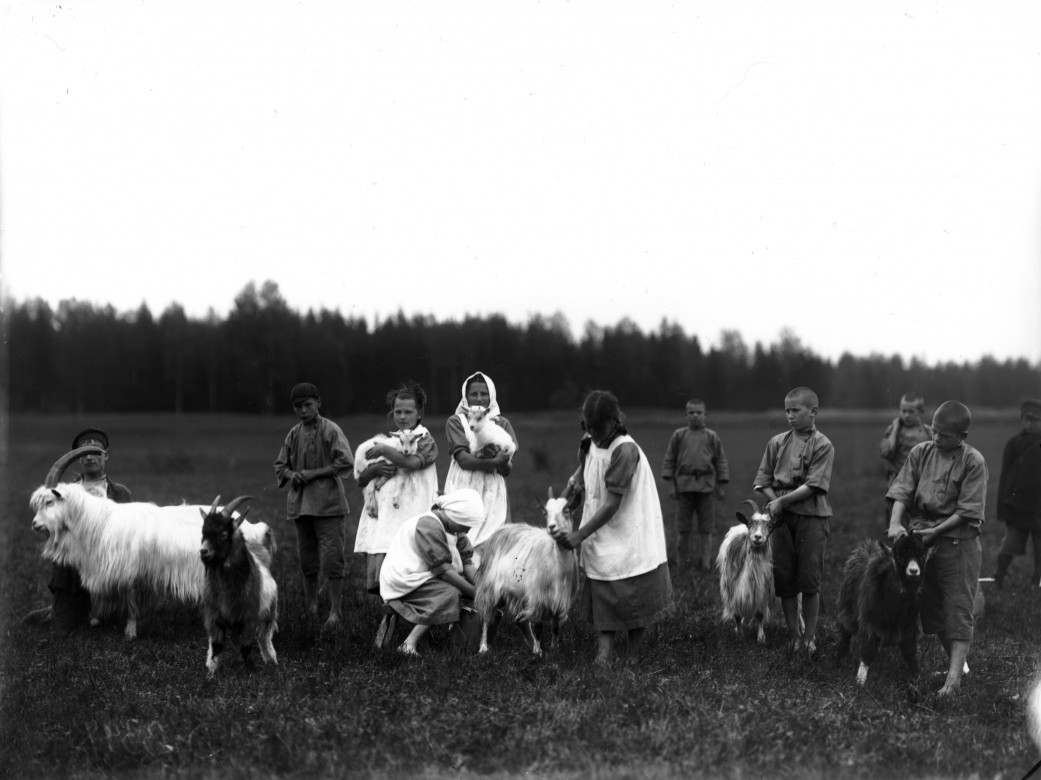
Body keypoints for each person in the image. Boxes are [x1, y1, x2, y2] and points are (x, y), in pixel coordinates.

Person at [553, 390, 672, 665]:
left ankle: (633, 655)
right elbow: (582, 472)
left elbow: (612, 504)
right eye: (589, 427)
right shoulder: (589, 441)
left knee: (633, 593)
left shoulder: (624, 450)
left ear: (614, 421)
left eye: (599, 427)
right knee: (603, 590)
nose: (594, 433)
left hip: (630, 526)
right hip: (601, 527)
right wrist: (565, 499)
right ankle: (603, 655)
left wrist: (580, 534)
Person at [887, 400, 988, 697]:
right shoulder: (921, 452)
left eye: (944, 435)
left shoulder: (973, 461)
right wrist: (895, 523)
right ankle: (959, 668)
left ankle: (953, 682)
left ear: (962, 436)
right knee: (931, 609)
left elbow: (968, 511)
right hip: (922, 542)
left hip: (957, 542)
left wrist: (936, 532)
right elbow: (902, 490)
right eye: (934, 431)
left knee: (957, 608)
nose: (935, 438)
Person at [753, 386, 835, 658]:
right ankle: (793, 636)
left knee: (809, 579)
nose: (790, 416)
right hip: (781, 520)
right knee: (785, 579)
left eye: (796, 410)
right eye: (787, 410)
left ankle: (809, 638)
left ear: (813, 412)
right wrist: (774, 500)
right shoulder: (776, 442)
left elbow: (813, 486)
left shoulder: (823, 445)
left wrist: (781, 501)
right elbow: (762, 481)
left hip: (812, 517)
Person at [354, 383, 439, 642]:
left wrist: (385, 452)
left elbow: (411, 463)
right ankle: (389, 612)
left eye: (408, 412)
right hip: (387, 516)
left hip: (412, 512)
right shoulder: (387, 440)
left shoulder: (425, 440)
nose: (402, 417)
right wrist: (375, 469)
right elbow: (361, 478)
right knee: (386, 565)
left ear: (419, 413)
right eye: (398, 412)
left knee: (412, 564)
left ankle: (414, 616)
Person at [29, 427, 134, 632]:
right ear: (78, 459)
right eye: (83, 453)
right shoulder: (62, 495)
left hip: (110, 574)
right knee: (65, 628)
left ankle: (96, 610)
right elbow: (51, 534)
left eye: (95, 452)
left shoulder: (121, 494)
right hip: (73, 576)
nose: (89, 457)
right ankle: (57, 610)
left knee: (114, 627)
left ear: (106, 455)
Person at [274, 382, 354, 629]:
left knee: (332, 559)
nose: (303, 410)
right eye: (297, 406)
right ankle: (311, 608)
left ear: (318, 403)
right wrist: (292, 475)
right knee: (307, 560)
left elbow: (345, 461)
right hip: (301, 507)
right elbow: (280, 466)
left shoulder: (331, 430)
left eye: (308, 405)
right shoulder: (293, 434)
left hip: (329, 506)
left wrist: (314, 473)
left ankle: (335, 612)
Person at [379, 489, 483, 656]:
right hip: (405, 578)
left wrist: (483, 589)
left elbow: (467, 563)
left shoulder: (457, 531)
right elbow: (444, 571)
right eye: (466, 525)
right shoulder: (429, 525)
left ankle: (462, 641)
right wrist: (474, 592)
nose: (468, 530)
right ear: (455, 516)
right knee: (451, 593)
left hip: (425, 575)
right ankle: (408, 644)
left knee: (465, 588)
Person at [443, 371, 518, 564]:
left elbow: (507, 469)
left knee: (493, 543)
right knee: (461, 540)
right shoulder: (457, 421)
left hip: (493, 492)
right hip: (464, 488)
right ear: (465, 396)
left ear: (491, 396)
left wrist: (500, 460)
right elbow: (463, 460)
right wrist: (494, 461)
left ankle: (488, 581)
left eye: (483, 394)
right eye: (473, 394)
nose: (478, 398)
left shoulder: (502, 424)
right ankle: (464, 580)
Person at [661, 398, 730, 577]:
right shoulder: (679, 435)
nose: (695, 416)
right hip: (684, 487)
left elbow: (720, 461)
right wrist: (671, 485)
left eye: (699, 412)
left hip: (706, 488)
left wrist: (721, 485)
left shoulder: (712, 437)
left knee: (706, 528)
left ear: (705, 415)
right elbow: (669, 460)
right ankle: (681, 563)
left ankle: (705, 563)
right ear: (686, 415)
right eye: (691, 412)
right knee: (682, 528)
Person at [992, 398, 1041, 589]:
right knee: (1009, 545)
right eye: (1026, 419)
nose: (1029, 424)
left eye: (1035, 420)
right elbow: (1004, 478)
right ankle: (999, 577)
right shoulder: (1014, 444)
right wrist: (1002, 510)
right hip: (1017, 507)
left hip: (1039, 508)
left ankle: (1036, 581)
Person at [879, 392, 933, 527]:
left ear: (920, 412)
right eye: (903, 411)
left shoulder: (928, 432)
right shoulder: (894, 431)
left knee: (920, 525)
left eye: (911, 411)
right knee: (898, 524)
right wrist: (895, 429)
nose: (906, 415)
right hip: (898, 485)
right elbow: (887, 452)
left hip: (921, 486)